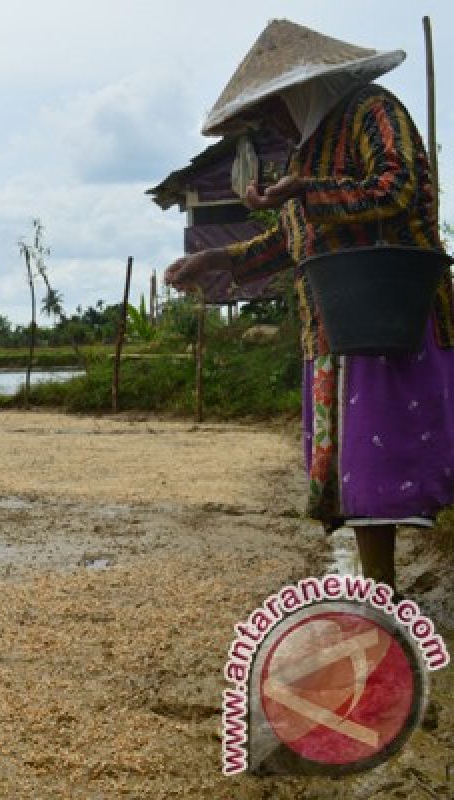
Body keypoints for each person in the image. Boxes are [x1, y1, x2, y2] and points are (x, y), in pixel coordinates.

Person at [164, 20, 454, 591]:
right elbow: (293, 240)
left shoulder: (374, 112)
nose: (272, 122)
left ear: (304, 89)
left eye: (274, 107)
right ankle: (382, 592)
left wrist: (305, 190)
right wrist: (217, 260)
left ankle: (389, 590)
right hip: (334, 327)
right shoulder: (308, 146)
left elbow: (399, 189)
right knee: (359, 478)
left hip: (396, 314)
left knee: (399, 457)